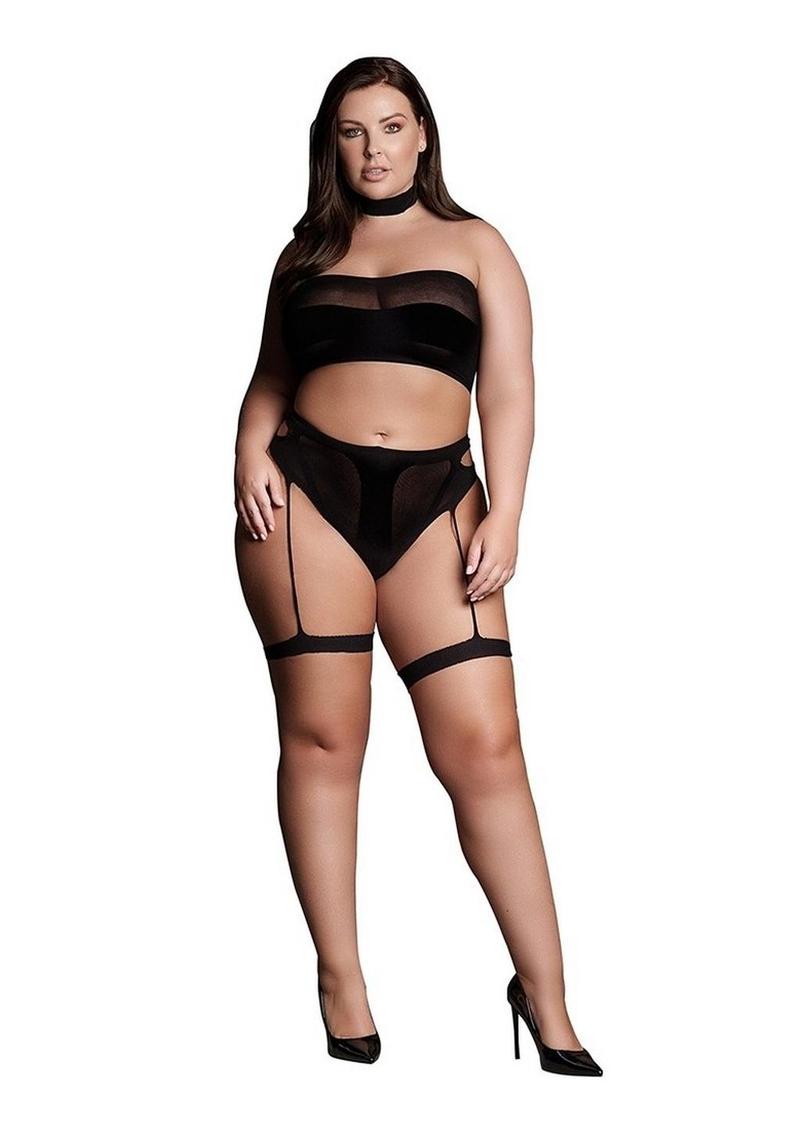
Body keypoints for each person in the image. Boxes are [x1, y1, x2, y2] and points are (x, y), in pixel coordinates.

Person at [233, 56, 602, 1074]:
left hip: (439, 500)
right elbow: (270, 378)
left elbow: (510, 388)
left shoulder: (477, 244)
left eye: (391, 127)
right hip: (305, 498)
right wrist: (245, 452)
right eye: (352, 132)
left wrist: (509, 513)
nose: (373, 150)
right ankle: (340, 979)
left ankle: (547, 997)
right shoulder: (304, 253)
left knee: (486, 750)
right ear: (332, 144)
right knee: (324, 740)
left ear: (423, 133)